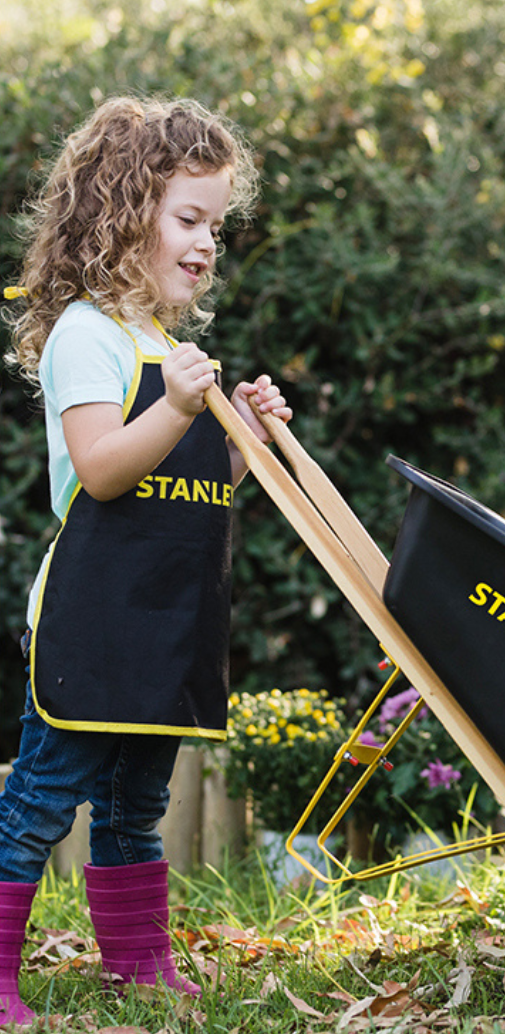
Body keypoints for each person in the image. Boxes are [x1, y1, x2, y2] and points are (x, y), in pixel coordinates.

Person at [0, 96, 291, 1023]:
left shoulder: (164, 346)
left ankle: (138, 965)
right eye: (188, 219)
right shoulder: (88, 334)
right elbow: (102, 469)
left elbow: (190, 489)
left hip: (163, 620)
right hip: (94, 621)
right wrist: (174, 408)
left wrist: (251, 442)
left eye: (216, 224)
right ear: (125, 217)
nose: (207, 243)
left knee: (135, 807)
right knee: (44, 800)